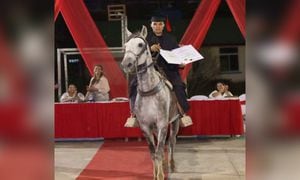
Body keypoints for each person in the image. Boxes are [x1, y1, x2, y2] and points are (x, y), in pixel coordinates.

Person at [125, 16, 192, 127]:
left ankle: (182, 114)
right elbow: (140, 55)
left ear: (164, 25)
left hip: (169, 70)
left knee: (179, 86)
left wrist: (181, 63)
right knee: (133, 85)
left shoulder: (171, 39)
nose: (157, 26)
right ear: (151, 25)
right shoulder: (145, 39)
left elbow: (177, 55)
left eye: (160, 24)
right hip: (150, 69)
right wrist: (150, 49)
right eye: (155, 24)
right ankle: (134, 114)